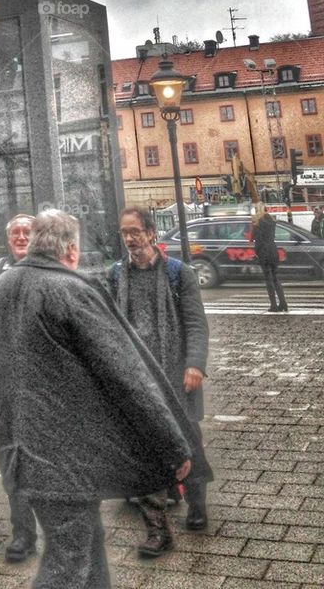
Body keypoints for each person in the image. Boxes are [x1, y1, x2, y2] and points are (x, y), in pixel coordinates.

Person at [0, 210, 192, 589]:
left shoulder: (1, 287)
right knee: (67, 562)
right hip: (63, 458)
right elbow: (128, 377)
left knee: (85, 547)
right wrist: (174, 444)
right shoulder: (71, 291)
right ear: (71, 250)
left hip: (20, 449)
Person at [109, 206, 213, 551]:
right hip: (136, 378)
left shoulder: (177, 273)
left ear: (152, 233)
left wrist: (195, 364)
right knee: (143, 445)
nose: (130, 239)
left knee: (187, 440)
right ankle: (156, 530)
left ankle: (196, 502)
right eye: (125, 233)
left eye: (135, 232)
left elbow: (196, 323)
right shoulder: (115, 275)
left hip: (174, 374)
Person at [0, 213, 37, 563]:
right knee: (10, 456)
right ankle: (22, 532)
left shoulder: (47, 269)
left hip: (42, 383)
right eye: (14, 232)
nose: (20, 237)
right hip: (5, 382)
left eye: (26, 232)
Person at [252, 204, 287, 312]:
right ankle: (283, 304)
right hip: (273, 250)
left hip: (264, 252)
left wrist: (256, 253)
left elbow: (256, 240)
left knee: (268, 279)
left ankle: (273, 305)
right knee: (276, 278)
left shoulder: (258, 223)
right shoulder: (272, 221)